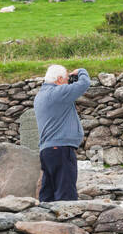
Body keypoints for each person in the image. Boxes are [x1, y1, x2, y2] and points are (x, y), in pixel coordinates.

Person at [33, 63, 91, 201]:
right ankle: (66, 221)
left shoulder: (40, 95)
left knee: (48, 192)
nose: (67, 83)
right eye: (66, 79)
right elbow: (84, 83)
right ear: (59, 79)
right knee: (66, 193)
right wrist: (80, 71)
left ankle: (45, 220)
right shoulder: (58, 93)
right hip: (61, 149)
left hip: (47, 151)